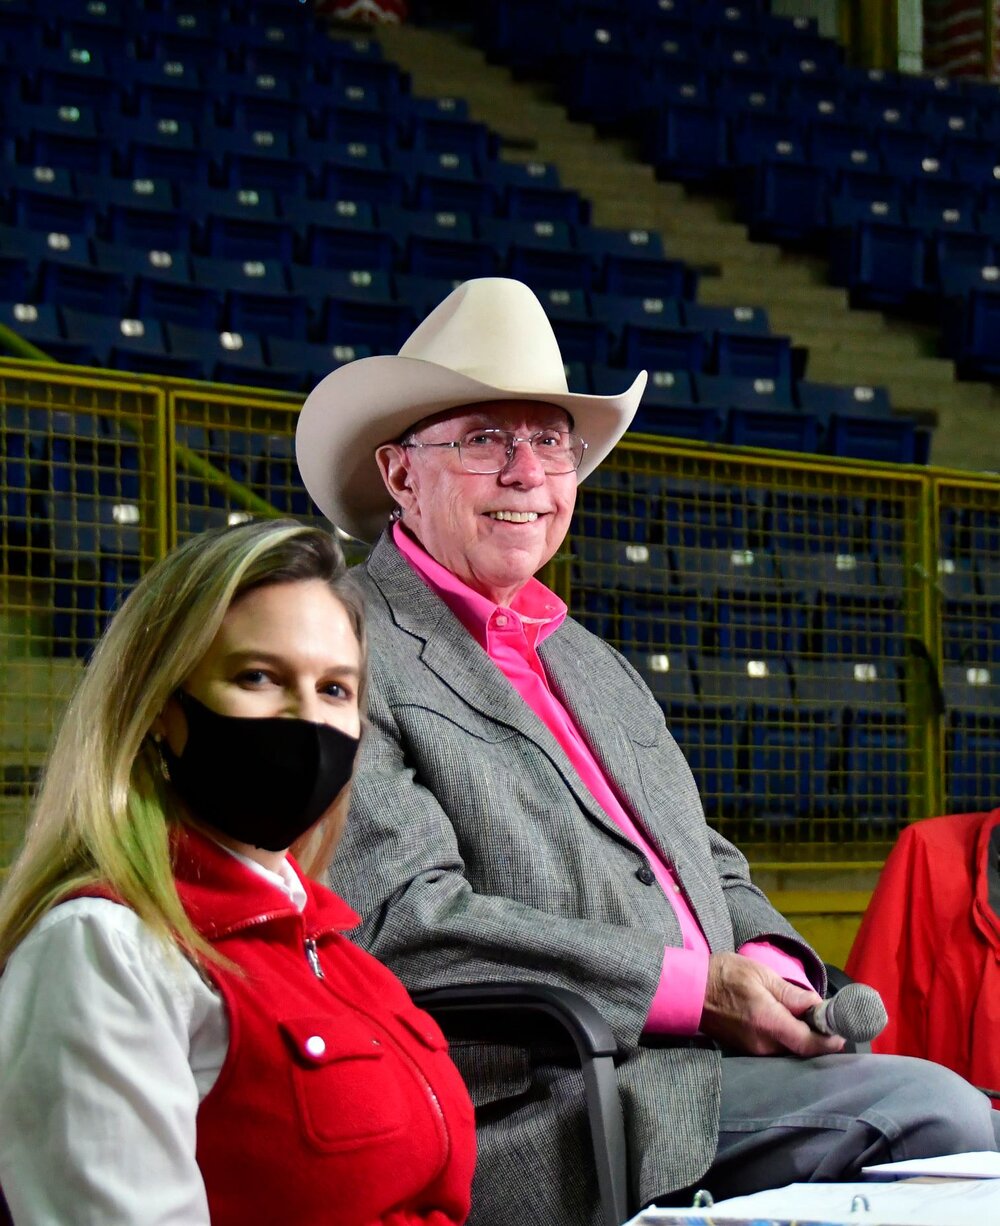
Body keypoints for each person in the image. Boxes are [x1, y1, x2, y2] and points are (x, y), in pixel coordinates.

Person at [296, 278, 999, 1224]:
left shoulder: (589, 660)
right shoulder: (341, 643)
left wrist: (773, 971)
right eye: (484, 440)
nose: (527, 473)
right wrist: (698, 992)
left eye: (550, 441)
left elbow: (704, 858)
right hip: (554, 1095)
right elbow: (407, 922)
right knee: (940, 1118)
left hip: (690, 1069)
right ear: (397, 474)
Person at [0, 519, 475, 1226]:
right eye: (259, 676)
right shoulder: (105, 947)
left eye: (336, 689)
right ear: (161, 709)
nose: (306, 719)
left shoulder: (342, 956)